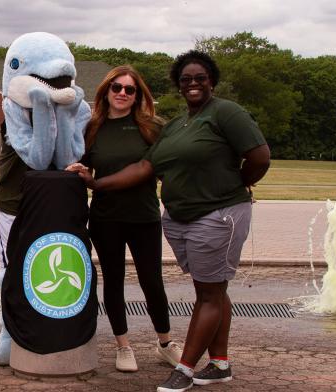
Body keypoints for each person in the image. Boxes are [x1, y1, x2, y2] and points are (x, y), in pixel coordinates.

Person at [69, 50, 270, 392]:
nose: (122, 93)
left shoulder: (204, 116)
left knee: (194, 289)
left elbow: (257, 156)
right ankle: (214, 362)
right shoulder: (171, 125)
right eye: (186, 79)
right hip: (137, 217)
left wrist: (237, 184)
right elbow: (144, 167)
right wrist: (93, 183)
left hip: (187, 215)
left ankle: (181, 363)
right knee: (209, 289)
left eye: (130, 89)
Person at [80, 65, 183, 372]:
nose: (123, 93)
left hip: (144, 217)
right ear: (106, 91)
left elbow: (172, 168)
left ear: (138, 95)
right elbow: (80, 167)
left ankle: (165, 343)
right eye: (117, 87)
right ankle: (123, 346)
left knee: (152, 281)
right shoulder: (92, 128)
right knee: (113, 281)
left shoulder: (151, 127)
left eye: (130, 89)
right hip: (106, 217)